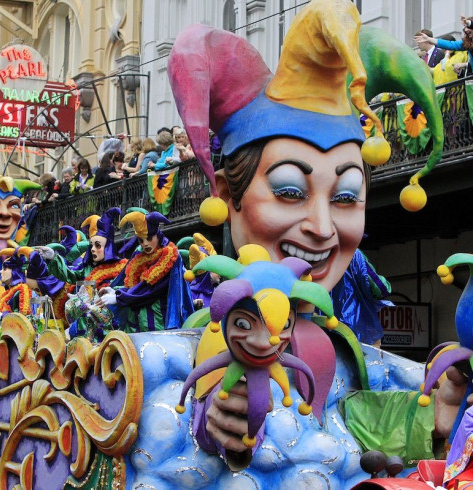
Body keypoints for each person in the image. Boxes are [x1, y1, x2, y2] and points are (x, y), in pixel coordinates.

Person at [168, 0, 450, 475]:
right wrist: (215, 425)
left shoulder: (345, 344)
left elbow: (356, 417)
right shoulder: (200, 338)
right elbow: (166, 422)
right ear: (227, 196)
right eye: (290, 191)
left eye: (345, 197)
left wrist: (441, 404)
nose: (322, 227)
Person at [96, 211, 194, 332]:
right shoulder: (139, 253)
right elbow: (135, 285)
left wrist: (119, 297)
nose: (145, 244)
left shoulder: (170, 255)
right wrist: (116, 290)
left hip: (158, 321)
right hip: (136, 320)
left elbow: (152, 289)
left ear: (157, 235)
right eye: (141, 240)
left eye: (149, 238)